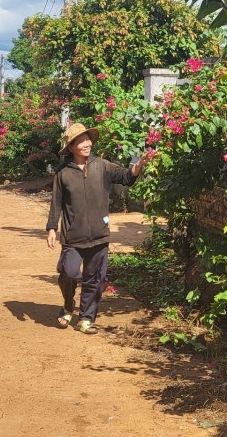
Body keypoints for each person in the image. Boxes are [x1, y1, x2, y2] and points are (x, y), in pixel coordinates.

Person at [46, 122, 152, 334]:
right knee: (69, 272)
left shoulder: (102, 166)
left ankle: (86, 318)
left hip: (99, 236)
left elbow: (125, 176)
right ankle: (68, 305)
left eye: (88, 139)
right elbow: (56, 203)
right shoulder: (63, 173)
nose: (86, 143)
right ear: (71, 147)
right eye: (80, 141)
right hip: (73, 237)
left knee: (95, 278)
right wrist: (51, 228)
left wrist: (138, 166)